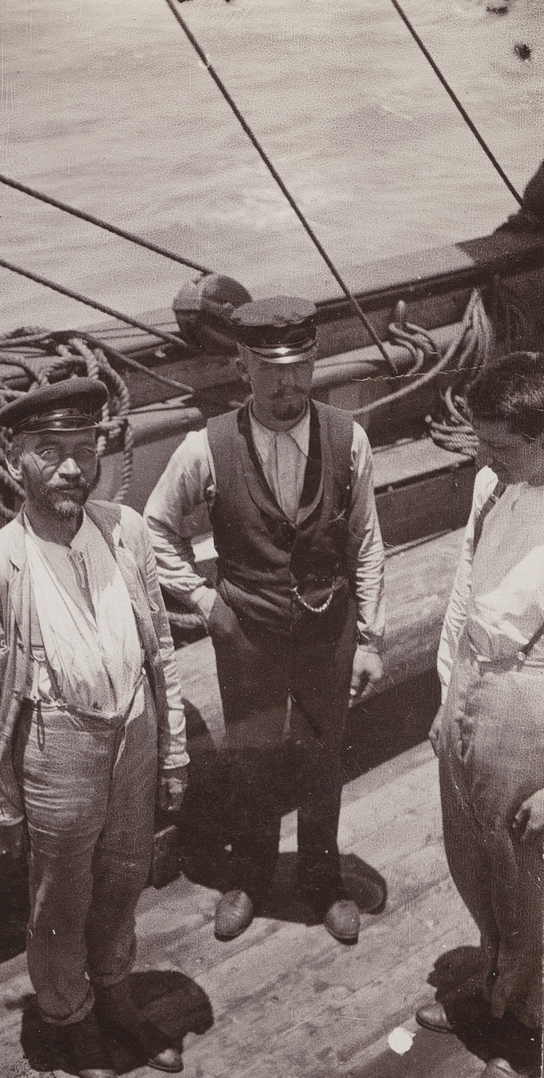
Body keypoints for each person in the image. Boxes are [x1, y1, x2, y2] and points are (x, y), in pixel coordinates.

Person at [0, 377, 189, 1078]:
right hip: (56, 746)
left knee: (123, 876)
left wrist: (173, 750)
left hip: (136, 733)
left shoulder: (127, 530)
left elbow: (162, 648)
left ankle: (116, 994)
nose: (69, 468)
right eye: (49, 452)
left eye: (82, 450)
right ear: (14, 462)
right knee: (59, 898)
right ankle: (70, 1014)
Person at [144, 294, 385, 944]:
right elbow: (154, 529)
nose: (288, 384)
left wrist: (369, 638)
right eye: (272, 368)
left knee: (321, 758)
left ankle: (321, 879)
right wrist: (204, 602)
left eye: (300, 366)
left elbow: (365, 542)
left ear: (313, 361)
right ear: (244, 363)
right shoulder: (207, 447)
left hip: (327, 633)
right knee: (251, 763)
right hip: (244, 634)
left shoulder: (347, 439)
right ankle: (248, 878)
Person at [415, 351, 544, 1078]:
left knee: (531, 880)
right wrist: (444, 695)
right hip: (470, 685)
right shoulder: (491, 485)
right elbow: (465, 590)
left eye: (500, 445)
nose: (485, 458)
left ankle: (528, 1027)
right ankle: (495, 980)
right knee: (475, 859)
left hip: (533, 696)